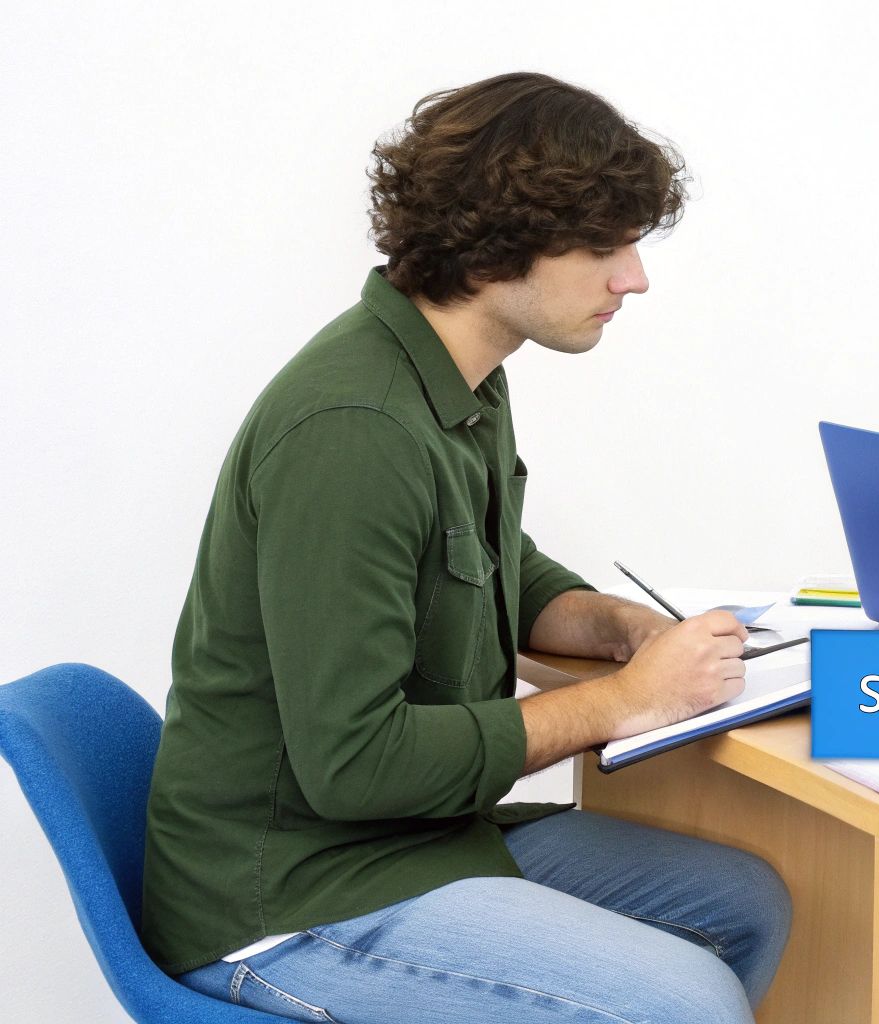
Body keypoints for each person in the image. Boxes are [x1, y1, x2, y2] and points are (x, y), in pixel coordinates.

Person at [141, 72, 790, 1023]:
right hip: (290, 895)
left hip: (420, 840)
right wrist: (624, 703)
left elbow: (498, 568)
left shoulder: (462, 380)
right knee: (683, 1000)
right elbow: (357, 763)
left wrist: (618, 629)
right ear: (501, 243)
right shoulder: (353, 427)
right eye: (605, 245)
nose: (635, 277)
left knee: (742, 908)